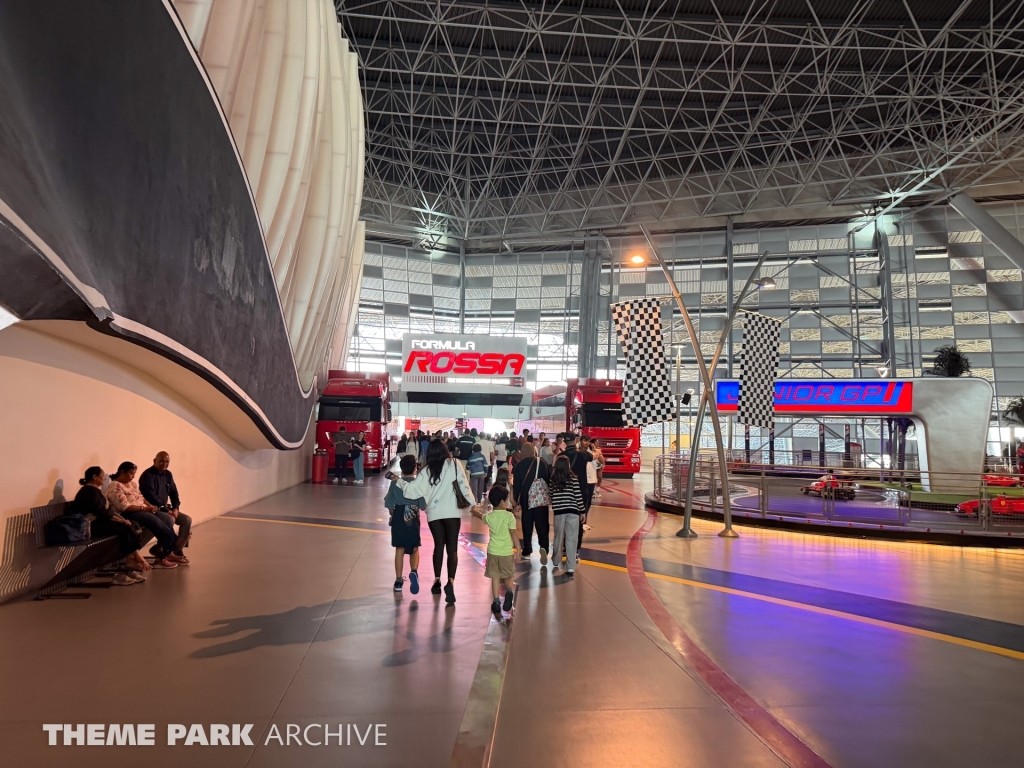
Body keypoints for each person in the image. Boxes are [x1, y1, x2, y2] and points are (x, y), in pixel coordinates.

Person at [389, 440, 476, 605]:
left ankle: (437, 582)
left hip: (434, 514)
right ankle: (450, 582)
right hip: (451, 513)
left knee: (438, 547)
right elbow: (464, 486)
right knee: (452, 549)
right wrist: (474, 504)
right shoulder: (455, 464)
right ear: (445, 450)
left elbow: (411, 491)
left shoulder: (425, 471)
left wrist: (397, 480)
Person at [73, 466, 146, 585]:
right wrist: (121, 521)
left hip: (98, 522)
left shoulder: (95, 490)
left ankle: (131, 557)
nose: (104, 477)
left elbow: (108, 511)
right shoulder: (89, 491)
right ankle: (135, 557)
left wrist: (122, 519)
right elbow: (101, 513)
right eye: (102, 475)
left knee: (132, 524)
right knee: (125, 528)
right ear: (95, 477)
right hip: (90, 526)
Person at [105, 462, 181, 568]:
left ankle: (165, 551)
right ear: (122, 472)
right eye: (131, 473)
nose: (133, 476)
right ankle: (174, 544)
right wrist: (145, 509)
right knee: (152, 519)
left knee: (168, 519)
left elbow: (140, 497)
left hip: (143, 509)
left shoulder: (132, 484)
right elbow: (125, 507)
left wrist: (150, 506)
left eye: (134, 473)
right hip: (129, 514)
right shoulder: (115, 486)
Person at [472, 485, 522, 614]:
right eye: (506, 500)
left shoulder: (490, 517)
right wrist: (518, 548)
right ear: (502, 502)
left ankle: (495, 601)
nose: (508, 502)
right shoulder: (509, 516)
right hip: (506, 552)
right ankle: (509, 591)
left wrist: (474, 510)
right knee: (508, 575)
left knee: (495, 577)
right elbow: (513, 533)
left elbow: (480, 516)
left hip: (493, 552)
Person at [139, 451, 192, 564]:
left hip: (166, 508)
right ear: (154, 461)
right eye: (161, 461)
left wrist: (175, 508)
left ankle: (177, 551)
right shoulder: (147, 476)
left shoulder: (168, 474)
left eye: (167, 462)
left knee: (186, 520)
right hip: (153, 509)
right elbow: (151, 497)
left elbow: (174, 493)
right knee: (170, 519)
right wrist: (167, 510)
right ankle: (166, 551)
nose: (164, 464)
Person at [384, 455, 425, 593]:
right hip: (412, 516)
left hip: (398, 515)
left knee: (399, 548)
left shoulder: (395, 482)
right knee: (414, 548)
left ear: (401, 468)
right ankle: (413, 571)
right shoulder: (417, 484)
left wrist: (392, 510)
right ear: (415, 468)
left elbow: (389, 501)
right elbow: (423, 504)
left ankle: (398, 581)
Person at [512, 442, 551, 563]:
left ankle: (527, 549)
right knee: (542, 524)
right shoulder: (542, 461)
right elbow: (548, 479)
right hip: (540, 499)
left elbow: (516, 485)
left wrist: (515, 501)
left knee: (527, 524)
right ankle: (544, 547)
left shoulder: (519, 466)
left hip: (526, 499)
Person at [548, 455, 585, 576]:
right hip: (573, 511)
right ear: (568, 465)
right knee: (571, 538)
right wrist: (582, 511)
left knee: (558, 536)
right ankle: (570, 567)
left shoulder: (553, 479)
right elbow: (578, 496)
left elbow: (551, 495)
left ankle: (556, 559)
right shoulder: (573, 479)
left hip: (559, 511)